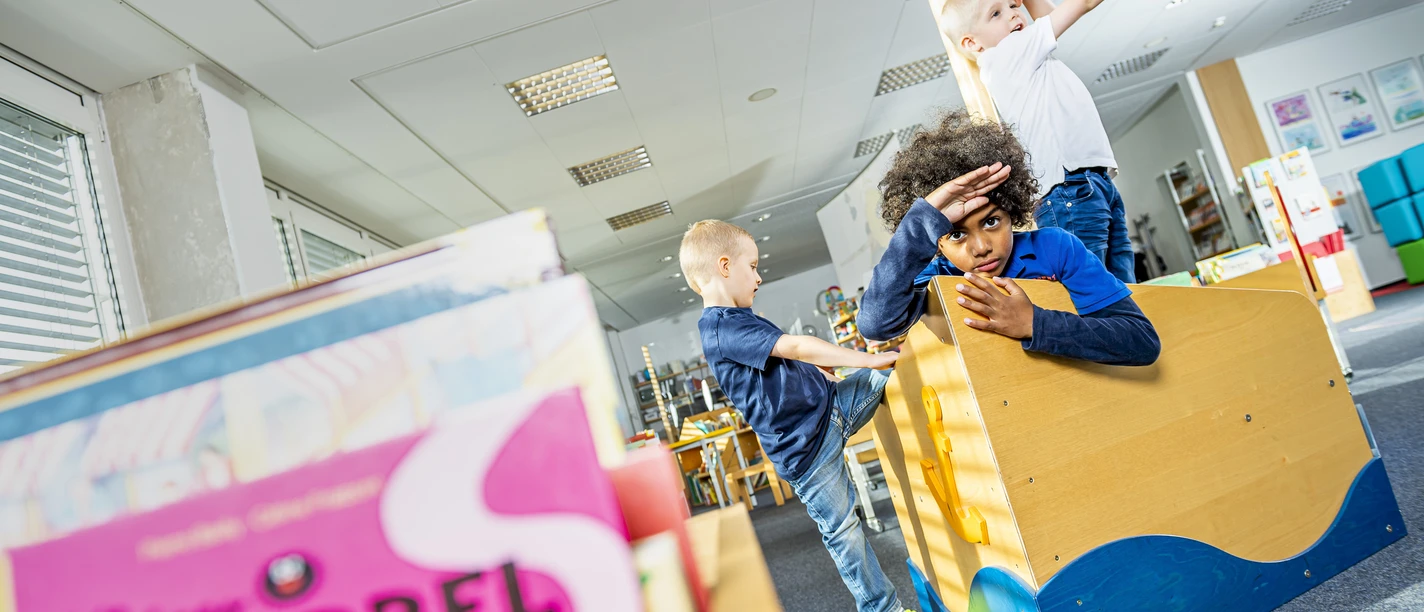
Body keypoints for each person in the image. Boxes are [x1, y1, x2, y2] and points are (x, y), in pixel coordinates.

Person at [679, 220, 909, 612]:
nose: (758, 276)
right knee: (844, 532)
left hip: (833, 407)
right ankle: (882, 609)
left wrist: (818, 373)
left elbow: (778, 363)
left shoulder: (740, 317)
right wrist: (867, 357)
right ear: (723, 267)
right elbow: (798, 346)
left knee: (887, 377)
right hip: (807, 452)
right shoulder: (719, 328)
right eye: (751, 266)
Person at [858, 109, 1159, 367]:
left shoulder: (1055, 248)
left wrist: (1033, 323)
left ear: (1012, 212)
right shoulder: (936, 279)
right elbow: (876, 324)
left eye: (991, 221)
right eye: (957, 234)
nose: (981, 248)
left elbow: (1141, 340)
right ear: (937, 241)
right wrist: (922, 222)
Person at [941, 0, 1135, 283]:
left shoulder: (1025, 54)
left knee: (1122, 290)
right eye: (996, 13)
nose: (1013, 14)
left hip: (1090, 181)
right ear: (972, 43)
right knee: (1094, 289)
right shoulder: (1007, 55)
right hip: (1069, 187)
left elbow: (1049, 16)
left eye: (1012, 5)